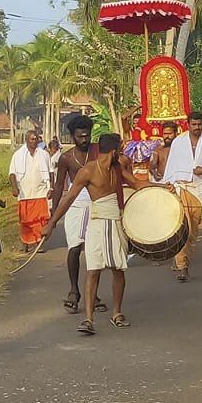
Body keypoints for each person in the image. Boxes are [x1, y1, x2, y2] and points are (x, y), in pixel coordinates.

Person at [52, 132, 157, 335]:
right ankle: (88, 319)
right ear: (114, 150)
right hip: (97, 222)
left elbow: (136, 183)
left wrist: (162, 187)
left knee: (119, 268)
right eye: (120, 149)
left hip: (115, 220)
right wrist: (52, 223)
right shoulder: (88, 171)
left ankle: (117, 313)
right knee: (93, 270)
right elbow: (69, 197)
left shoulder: (116, 168)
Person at [49, 114, 103, 315]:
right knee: (74, 247)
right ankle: (74, 290)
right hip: (75, 205)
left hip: (96, 204)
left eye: (87, 136)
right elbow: (58, 186)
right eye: (80, 136)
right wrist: (54, 215)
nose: (84, 140)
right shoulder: (66, 158)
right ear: (72, 137)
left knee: (94, 251)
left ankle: (93, 294)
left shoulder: (98, 152)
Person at [163, 110, 202, 282]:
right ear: (188, 124)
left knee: (193, 230)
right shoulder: (179, 142)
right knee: (183, 227)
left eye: (199, 125)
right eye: (194, 125)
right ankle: (182, 266)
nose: (197, 127)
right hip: (180, 188)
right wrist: (168, 182)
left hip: (199, 189)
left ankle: (183, 259)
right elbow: (172, 165)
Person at [9, 129, 53, 254]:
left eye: (36, 139)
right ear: (26, 140)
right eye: (32, 139)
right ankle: (25, 244)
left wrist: (51, 188)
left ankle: (38, 243)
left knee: (41, 220)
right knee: (25, 220)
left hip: (40, 192)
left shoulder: (44, 154)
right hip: (24, 193)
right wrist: (14, 187)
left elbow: (50, 172)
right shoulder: (18, 155)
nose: (34, 141)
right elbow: (12, 173)